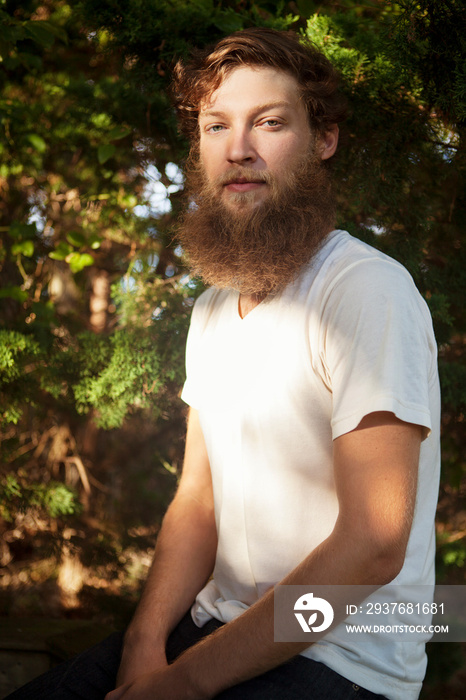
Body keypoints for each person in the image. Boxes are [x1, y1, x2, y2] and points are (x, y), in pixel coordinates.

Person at [6, 27, 440, 700]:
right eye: (216, 126)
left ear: (323, 139)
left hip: (340, 660)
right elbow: (197, 502)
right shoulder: (211, 310)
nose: (238, 149)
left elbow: (375, 545)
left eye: (269, 123)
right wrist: (146, 647)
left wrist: (185, 686)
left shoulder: (363, 290)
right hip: (212, 626)